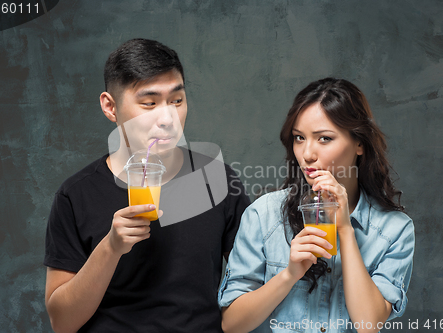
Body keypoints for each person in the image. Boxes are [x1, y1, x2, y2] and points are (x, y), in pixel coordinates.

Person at [44, 38, 250, 333]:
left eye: (176, 101)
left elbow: (253, 285)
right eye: (149, 103)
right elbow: (62, 323)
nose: (167, 118)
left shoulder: (217, 180)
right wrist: (111, 247)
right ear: (110, 107)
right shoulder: (75, 195)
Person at [218, 78, 415, 333]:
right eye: (299, 138)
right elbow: (231, 324)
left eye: (324, 139)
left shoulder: (394, 230)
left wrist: (345, 229)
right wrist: (289, 275)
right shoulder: (263, 215)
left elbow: (370, 325)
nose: (307, 153)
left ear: (359, 143)